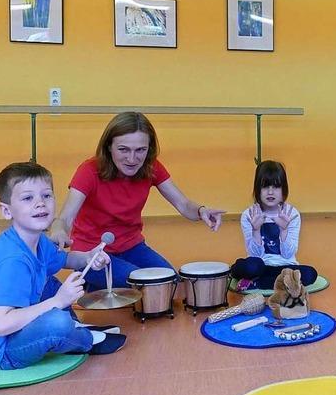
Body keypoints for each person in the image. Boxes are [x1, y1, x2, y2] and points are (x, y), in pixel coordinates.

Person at [0, 162, 125, 370]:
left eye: (46, 196)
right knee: (57, 322)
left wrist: (88, 258)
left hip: (17, 330)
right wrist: (59, 301)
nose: (40, 204)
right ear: (6, 211)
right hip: (1, 351)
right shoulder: (11, 261)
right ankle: (83, 339)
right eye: (27, 198)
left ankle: (74, 328)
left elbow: (66, 260)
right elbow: (1, 325)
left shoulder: (38, 241)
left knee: (48, 279)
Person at [49, 112, 225, 291]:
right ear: (109, 146)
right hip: (92, 252)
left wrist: (201, 210)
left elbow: (183, 204)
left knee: (171, 284)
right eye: (123, 149)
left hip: (133, 247)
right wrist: (58, 230)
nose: (132, 159)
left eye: (140, 150)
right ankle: (94, 281)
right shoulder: (89, 171)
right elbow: (65, 218)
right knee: (144, 286)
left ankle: (99, 284)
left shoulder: (151, 166)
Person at [231, 160, 318, 290]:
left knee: (310, 274)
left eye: (276, 186)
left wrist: (284, 230)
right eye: (265, 186)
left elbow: (288, 254)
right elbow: (255, 254)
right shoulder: (249, 215)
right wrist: (256, 230)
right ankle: (276, 282)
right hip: (259, 265)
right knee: (252, 267)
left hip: (284, 268)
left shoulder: (291, 214)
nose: (270, 192)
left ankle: (257, 283)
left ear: (284, 189)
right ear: (257, 190)